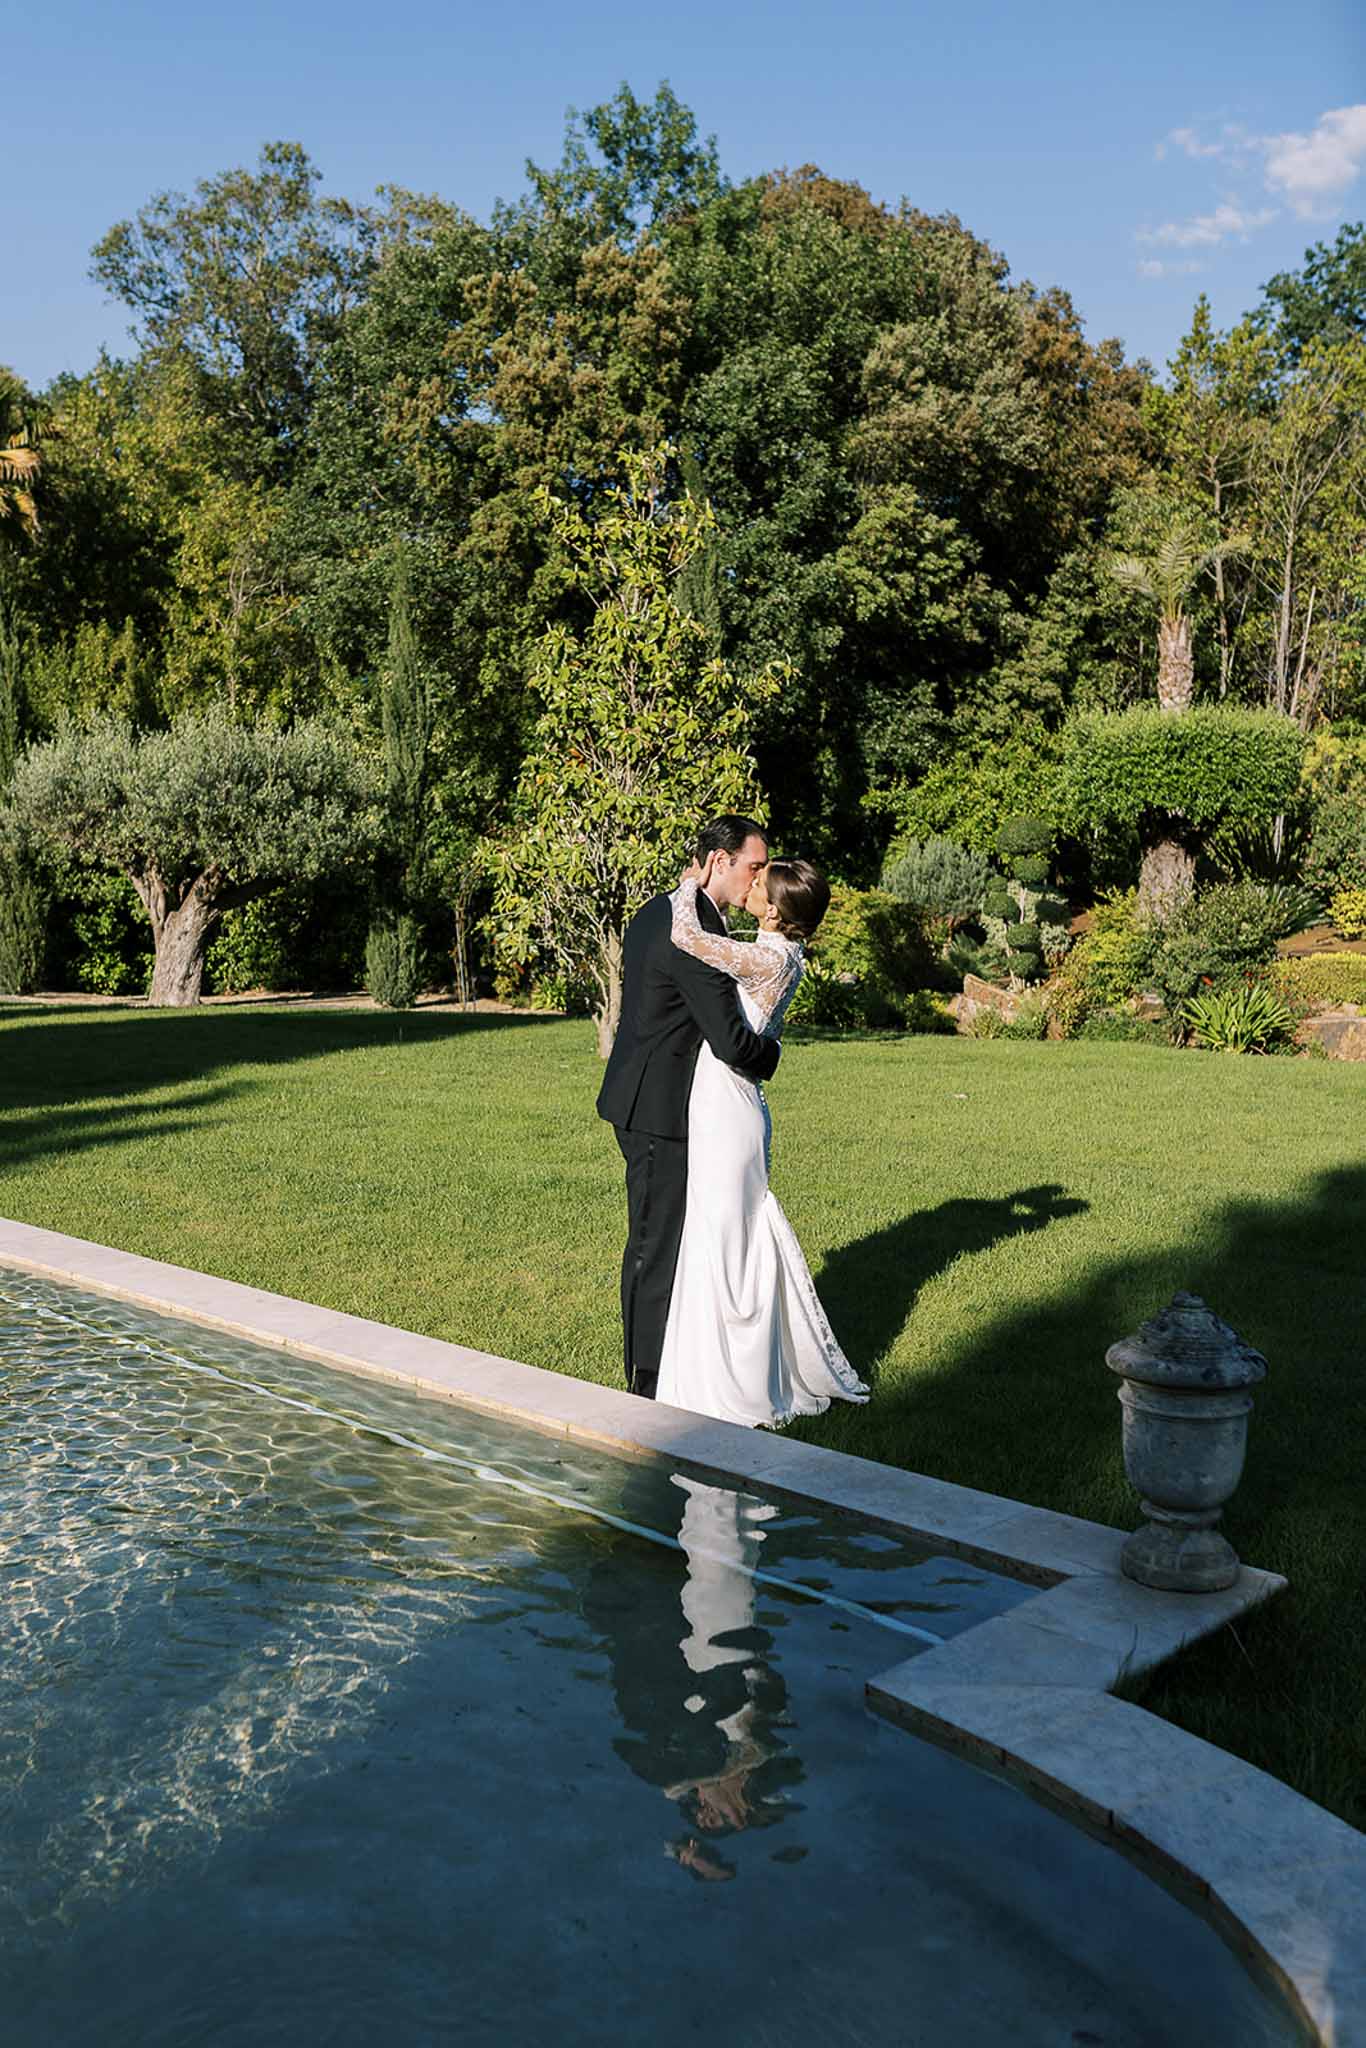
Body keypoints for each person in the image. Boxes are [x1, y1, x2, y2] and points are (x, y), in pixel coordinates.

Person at [655, 853, 869, 1427]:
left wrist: (688, 885)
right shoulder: (779, 953)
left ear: (772, 911)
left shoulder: (761, 958)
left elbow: (685, 937)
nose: (751, 883)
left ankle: (736, 1378)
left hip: (728, 1107)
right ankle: (720, 1364)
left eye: (761, 883)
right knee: (725, 1230)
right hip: (734, 1101)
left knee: (726, 1237)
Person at [597, 817, 780, 1401]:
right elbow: (729, 1039)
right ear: (719, 862)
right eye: (754, 866)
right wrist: (771, 1053)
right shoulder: (693, 928)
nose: (760, 878)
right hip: (657, 1107)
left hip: (650, 1093)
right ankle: (646, 1382)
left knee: (666, 1238)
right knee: (656, 1243)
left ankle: (672, 1361)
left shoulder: (664, 907)